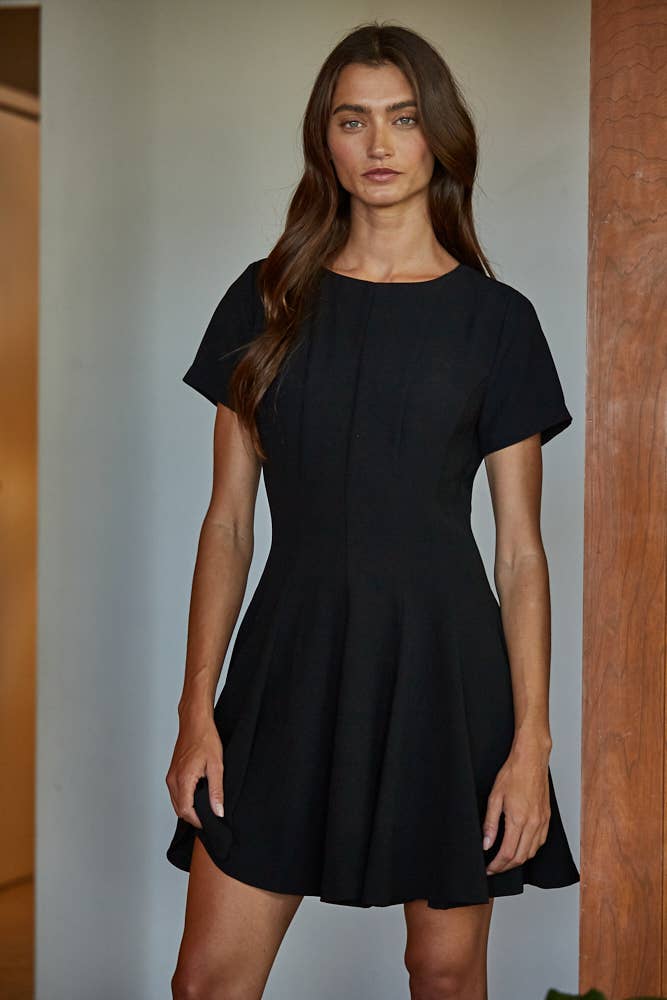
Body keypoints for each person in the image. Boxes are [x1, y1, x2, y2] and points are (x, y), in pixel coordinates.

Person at [165, 20, 580, 1000]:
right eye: (353, 121)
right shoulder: (264, 302)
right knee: (209, 982)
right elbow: (227, 523)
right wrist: (196, 707)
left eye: (401, 118)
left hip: (444, 673)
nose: (379, 145)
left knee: (442, 976)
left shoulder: (496, 321)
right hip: (285, 666)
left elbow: (519, 553)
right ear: (327, 139)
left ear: (436, 134)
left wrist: (531, 743)